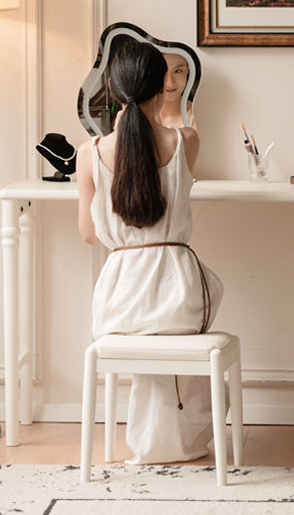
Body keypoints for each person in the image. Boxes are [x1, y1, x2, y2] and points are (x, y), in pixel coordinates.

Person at [76, 39, 223, 464]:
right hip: (178, 298)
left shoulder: (88, 154)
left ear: (114, 90)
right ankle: (179, 435)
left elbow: (89, 235)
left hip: (119, 303)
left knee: (152, 330)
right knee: (207, 295)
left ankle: (156, 439)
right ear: (164, 86)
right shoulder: (186, 141)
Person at [158, 52, 196, 130]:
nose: (170, 83)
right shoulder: (136, 113)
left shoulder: (198, 118)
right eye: (162, 71)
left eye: (178, 71)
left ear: (188, 69)